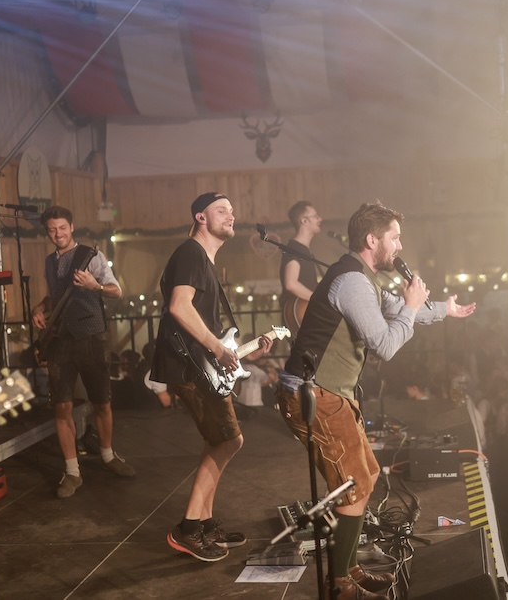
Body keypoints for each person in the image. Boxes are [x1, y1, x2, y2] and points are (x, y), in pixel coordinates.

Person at [276, 201, 476, 600]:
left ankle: (349, 568)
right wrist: (412, 306)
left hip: (332, 393)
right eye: (394, 238)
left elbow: (397, 311)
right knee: (353, 487)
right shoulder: (352, 282)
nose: (400, 247)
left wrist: (443, 309)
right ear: (372, 240)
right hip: (313, 394)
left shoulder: (363, 278)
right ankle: (339, 584)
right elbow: (385, 344)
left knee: (365, 477)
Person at [150, 192, 274, 563]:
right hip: (190, 366)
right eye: (221, 210)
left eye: (232, 211)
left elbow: (204, 324)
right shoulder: (191, 253)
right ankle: (188, 528)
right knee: (230, 440)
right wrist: (218, 350)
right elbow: (179, 307)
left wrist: (239, 351)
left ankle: (205, 524)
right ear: (200, 217)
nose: (230, 216)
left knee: (218, 441)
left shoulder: (203, 259)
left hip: (196, 365)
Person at [30, 205, 134, 499]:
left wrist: (95, 285)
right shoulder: (50, 262)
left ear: (72, 227)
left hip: (92, 336)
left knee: (102, 402)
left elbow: (116, 290)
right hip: (60, 340)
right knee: (61, 406)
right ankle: (72, 471)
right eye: (52, 230)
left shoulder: (92, 255)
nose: (58, 234)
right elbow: (56, 296)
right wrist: (40, 307)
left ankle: (108, 456)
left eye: (62, 228)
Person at [279, 200, 323, 333]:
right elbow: (291, 284)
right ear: (304, 221)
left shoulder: (304, 250)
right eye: (315, 216)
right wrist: (317, 300)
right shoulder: (294, 249)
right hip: (300, 316)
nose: (320, 219)